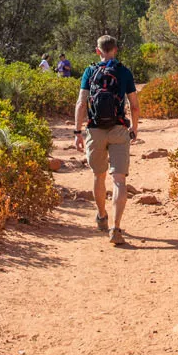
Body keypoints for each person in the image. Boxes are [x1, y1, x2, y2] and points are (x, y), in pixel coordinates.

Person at [73, 35, 139, 246]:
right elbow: (135, 105)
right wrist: (134, 128)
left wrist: (77, 132)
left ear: (98, 51)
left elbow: (81, 103)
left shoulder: (90, 71)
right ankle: (116, 228)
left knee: (98, 175)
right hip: (119, 129)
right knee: (119, 180)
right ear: (115, 50)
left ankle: (102, 216)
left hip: (95, 130)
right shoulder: (124, 72)